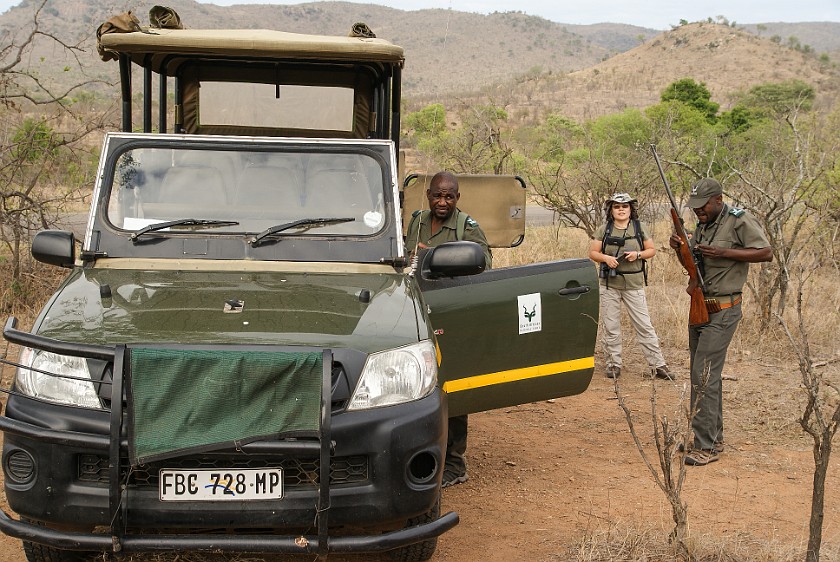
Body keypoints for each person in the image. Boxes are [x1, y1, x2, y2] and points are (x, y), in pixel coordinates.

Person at [669, 178, 772, 466]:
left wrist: (725, 252)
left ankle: (708, 446)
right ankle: (709, 436)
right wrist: (680, 248)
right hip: (701, 306)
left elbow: (766, 252)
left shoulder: (738, 221)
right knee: (701, 374)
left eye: (702, 207)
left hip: (724, 310)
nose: (698, 212)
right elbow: (694, 268)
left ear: (717, 199)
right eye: (695, 208)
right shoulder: (703, 224)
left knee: (704, 375)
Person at [404, 170, 491, 488]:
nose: (443, 201)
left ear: (457, 197)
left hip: (452, 310)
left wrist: (439, 257)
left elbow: (484, 262)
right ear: (428, 195)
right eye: (438, 195)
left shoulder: (466, 226)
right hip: (418, 308)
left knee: (452, 386)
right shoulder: (417, 220)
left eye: (449, 196)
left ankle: (455, 464)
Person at [589, 192, 673, 381]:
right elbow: (593, 253)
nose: (621, 210)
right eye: (617, 206)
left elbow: (651, 250)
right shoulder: (604, 229)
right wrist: (606, 258)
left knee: (644, 325)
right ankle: (613, 363)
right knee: (611, 325)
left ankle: (658, 364)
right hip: (609, 284)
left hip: (634, 284)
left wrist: (638, 255)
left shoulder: (639, 227)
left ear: (630, 209)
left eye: (624, 206)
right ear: (611, 210)